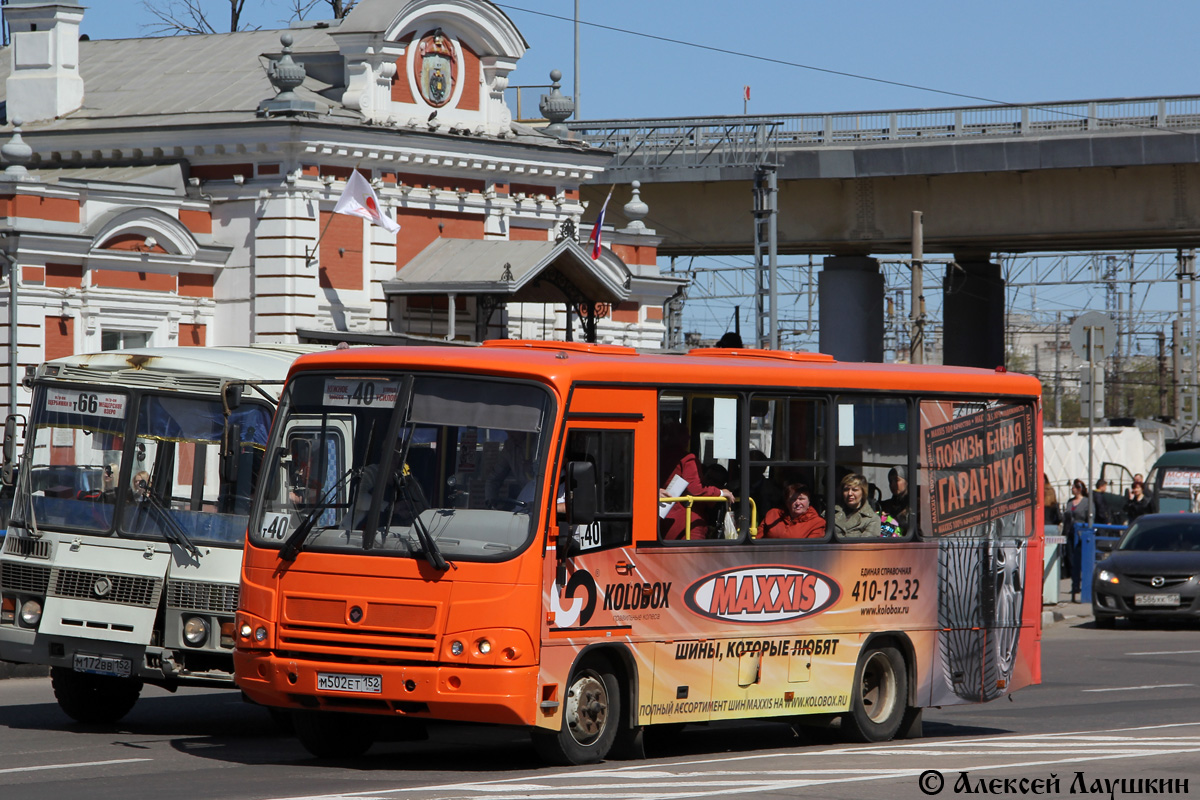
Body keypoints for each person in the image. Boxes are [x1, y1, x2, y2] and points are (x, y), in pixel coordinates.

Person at [658, 421, 733, 540]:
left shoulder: (657, 456)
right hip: (687, 524)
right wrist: (721, 493)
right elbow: (695, 489)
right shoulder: (687, 459)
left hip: (661, 520)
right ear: (683, 438)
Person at [485, 430, 537, 507]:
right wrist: (490, 500)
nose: (510, 436)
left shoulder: (539, 443)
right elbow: (494, 477)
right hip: (524, 497)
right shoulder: (510, 447)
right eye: (507, 433)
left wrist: (533, 468)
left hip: (539, 495)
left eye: (513, 432)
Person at [759, 483, 825, 539]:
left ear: (809, 501)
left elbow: (811, 549)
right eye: (793, 499)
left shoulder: (817, 523)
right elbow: (758, 540)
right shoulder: (772, 515)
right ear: (787, 502)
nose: (798, 503)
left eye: (801, 499)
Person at [1064, 478, 1090, 603]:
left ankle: (1080, 586)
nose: (1072, 489)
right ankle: (1074, 586)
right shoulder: (1070, 502)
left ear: (1079, 489)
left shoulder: (1086, 502)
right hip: (1070, 533)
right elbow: (1066, 516)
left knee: (1080, 561)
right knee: (1071, 560)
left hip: (1081, 535)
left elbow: (1090, 518)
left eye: (1074, 487)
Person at [834, 472, 880, 539]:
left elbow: (865, 545)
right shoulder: (831, 513)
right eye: (846, 489)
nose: (850, 493)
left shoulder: (872, 519)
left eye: (854, 490)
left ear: (863, 493)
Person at [880, 465, 909, 533]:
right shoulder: (885, 506)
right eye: (890, 481)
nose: (892, 484)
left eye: (896, 480)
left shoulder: (917, 504)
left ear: (907, 481)